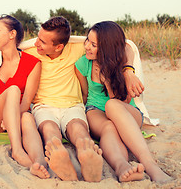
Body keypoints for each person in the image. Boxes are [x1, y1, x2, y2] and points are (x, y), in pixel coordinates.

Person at [19, 16, 144, 182]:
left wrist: (128, 71)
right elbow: (8, 51)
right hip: (44, 106)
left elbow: (125, 45)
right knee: (50, 130)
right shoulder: (32, 52)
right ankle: (61, 158)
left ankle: (87, 154)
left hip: (74, 106)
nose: (36, 44)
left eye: (41, 41)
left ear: (59, 47)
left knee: (78, 129)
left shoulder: (79, 51)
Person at [75, 21, 171, 182]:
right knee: (109, 126)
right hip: (96, 110)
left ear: (107, 48)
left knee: (112, 105)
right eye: (87, 41)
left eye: (93, 44)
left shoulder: (122, 62)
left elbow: (124, 100)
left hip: (126, 110)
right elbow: (84, 95)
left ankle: (150, 165)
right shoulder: (83, 63)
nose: (87, 47)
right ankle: (121, 166)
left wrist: (108, 80)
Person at [0, 15, 50, 179]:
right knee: (13, 90)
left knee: (28, 117)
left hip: (17, 117)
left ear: (12, 34)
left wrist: (10, 118)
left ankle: (38, 163)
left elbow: (26, 101)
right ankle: (17, 150)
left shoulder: (33, 63)